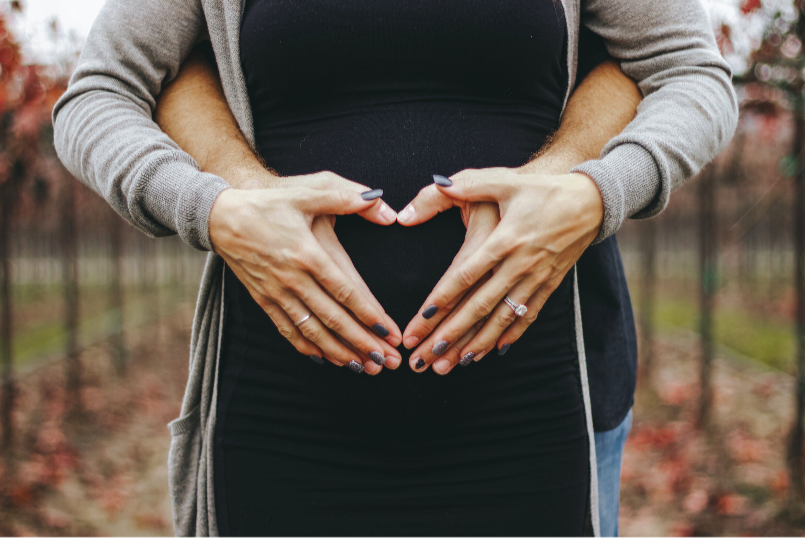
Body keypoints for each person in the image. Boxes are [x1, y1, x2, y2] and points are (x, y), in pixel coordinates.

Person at [53, 0, 737, 535]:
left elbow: (686, 71)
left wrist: (592, 191)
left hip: (537, 410)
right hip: (280, 417)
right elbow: (100, 94)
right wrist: (214, 207)